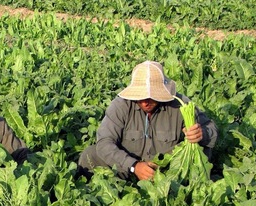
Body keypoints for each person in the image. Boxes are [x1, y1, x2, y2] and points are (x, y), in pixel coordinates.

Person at [77, 60, 218, 180]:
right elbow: (104, 142)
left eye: (151, 97)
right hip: (125, 169)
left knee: (203, 150)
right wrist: (134, 166)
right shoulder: (121, 106)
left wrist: (201, 134)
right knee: (91, 155)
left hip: (167, 172)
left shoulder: (180, 105)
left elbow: (211, 129)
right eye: (141, 97)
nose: (145, 102)